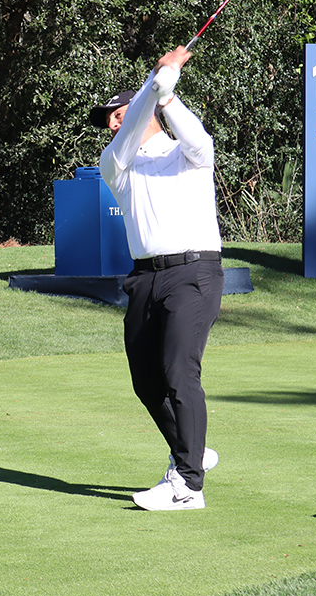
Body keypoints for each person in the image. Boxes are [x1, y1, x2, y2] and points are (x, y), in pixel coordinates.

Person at [93, 45, 224, 511]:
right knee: (146, 380)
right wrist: (154, 85)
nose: (112, 124)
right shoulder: (117, 164)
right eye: (109, 119)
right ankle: (193, 449)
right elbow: (130, 133)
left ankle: (188, 485)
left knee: (178, 371)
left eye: (118, 114)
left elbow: (200, 141)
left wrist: (166, 95)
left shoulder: (187, 153)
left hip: (194, 272)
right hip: (144, 278)